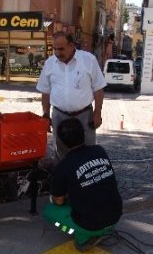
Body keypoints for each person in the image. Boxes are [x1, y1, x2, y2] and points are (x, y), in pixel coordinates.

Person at [43, 118, 122, 252]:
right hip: (115, 216)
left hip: (90, 224)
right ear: (84, 133)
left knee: (50, 211)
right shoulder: (99, 150)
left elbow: (58, 201)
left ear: (61, 142)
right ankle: (103, 231)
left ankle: (83, 238)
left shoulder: (63, 166)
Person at [36, 31, 107, 161]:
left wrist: (97, 114)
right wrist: (46, 115)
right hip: (59, 116)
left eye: (61, 49)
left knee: (88, 153)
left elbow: (98, 89)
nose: (57, 53)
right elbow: (45, 91)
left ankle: (86, 180)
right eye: (55, 49)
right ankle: (63, 180)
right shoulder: (50, 63)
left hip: (85, 116)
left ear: (72, 45)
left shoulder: (88, 60)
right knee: (60, 153)